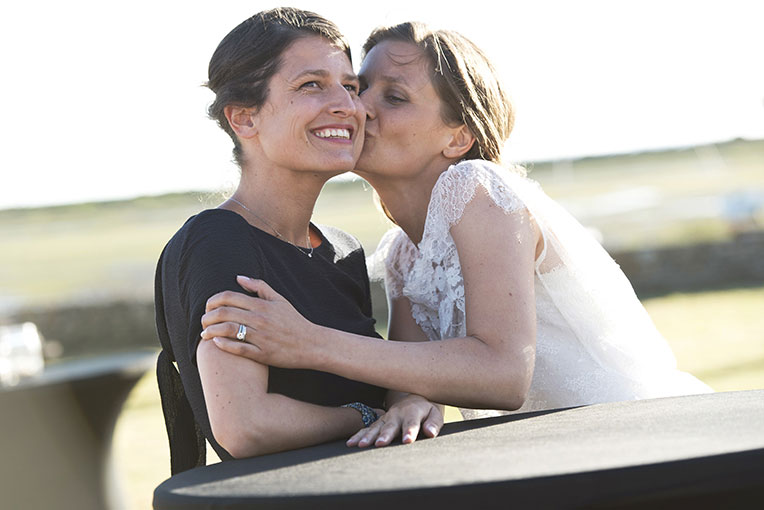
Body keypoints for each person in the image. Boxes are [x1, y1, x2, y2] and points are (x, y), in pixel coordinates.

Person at [204, 20, 712, 446]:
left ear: (458, 136)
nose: (360, 108)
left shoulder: (478, 187)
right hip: (552, 455)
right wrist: (410, 401)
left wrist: (309, 343)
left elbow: (504, 376)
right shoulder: (402, 251)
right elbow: (409, 367)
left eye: (394, 97)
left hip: (635, 444)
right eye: (361, 89)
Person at [155, 10, 443, 474]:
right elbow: (245, 425)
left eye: (350, 86)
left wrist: (408, 401)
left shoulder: (343, 251)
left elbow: (375, 370)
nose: (349, 106)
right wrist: (366, 416)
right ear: (243, 118)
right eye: (312, 85)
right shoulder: (217, 239)